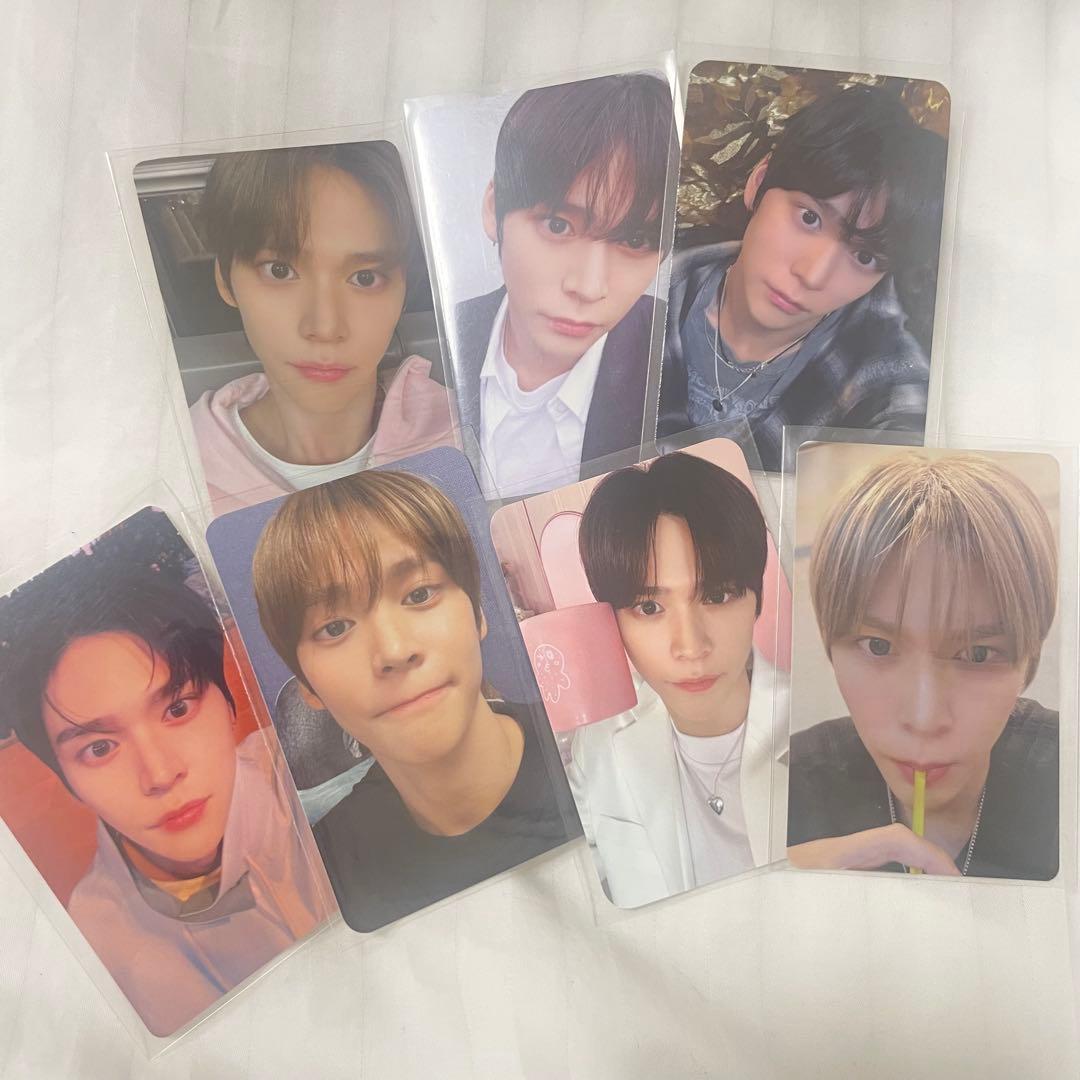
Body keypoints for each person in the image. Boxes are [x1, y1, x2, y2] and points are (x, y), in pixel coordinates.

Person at [0, 531, 332, 1037]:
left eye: (177, 709)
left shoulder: (312, 764)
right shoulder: (93, 941)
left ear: (227, 702)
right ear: (66, 779)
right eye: (99, 748)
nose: (159, 775)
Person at [251, 470, 572, 932]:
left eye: (419, 594)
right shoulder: (325, 877)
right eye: (335, 627)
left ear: (477, 613)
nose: (395, 651)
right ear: (307, 687)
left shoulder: (601, 754)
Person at [787, 454, 1059, 880]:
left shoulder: (1063, 776)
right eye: (878, 646)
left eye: (978, 654)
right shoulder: (783, 788)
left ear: (1029, 658)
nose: (924, 718)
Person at [659, 85, 948, 472]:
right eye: (809, 218)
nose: (812, 275)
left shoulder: (887, 391)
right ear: (759, 182)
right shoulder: (644, 289)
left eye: (864, 257)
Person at [567, 452, 783, 907]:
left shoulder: (829, 732)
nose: (690, 646)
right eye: (649, 608)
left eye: (717, 595)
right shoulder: (598, 744)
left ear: (757, 599)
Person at [190, 142, 455, 513]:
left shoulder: (469, 436)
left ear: (404, 288)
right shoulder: (178, 472)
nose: (326, 327)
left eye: (365, 278)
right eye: (280, 270)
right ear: (224, 279)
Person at [451, 72, 675, 498]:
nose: (589, 287)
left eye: (634, 241)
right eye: (558, 225)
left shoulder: (680, 361)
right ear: (494, 209)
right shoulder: (438, 353)